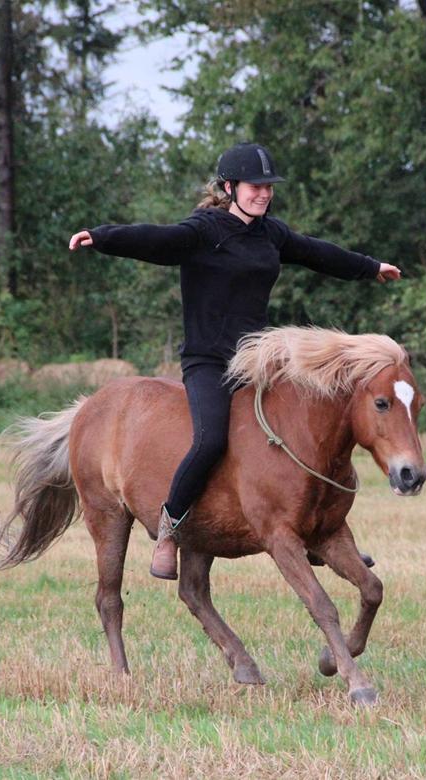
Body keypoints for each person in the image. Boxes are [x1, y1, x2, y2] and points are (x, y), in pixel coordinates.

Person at [68, 142, 402, 580]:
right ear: (230, 187)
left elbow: (317, 252)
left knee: (312, 428)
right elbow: (157, 239)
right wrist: (105, 237)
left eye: (268, 187)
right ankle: (170, 528)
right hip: (209, 362)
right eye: (254, 187)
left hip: (257, 363)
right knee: (209, 440)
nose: (263, 194)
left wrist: (369, 267)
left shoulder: (271, 234)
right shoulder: (204, 230)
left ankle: (320, 531)